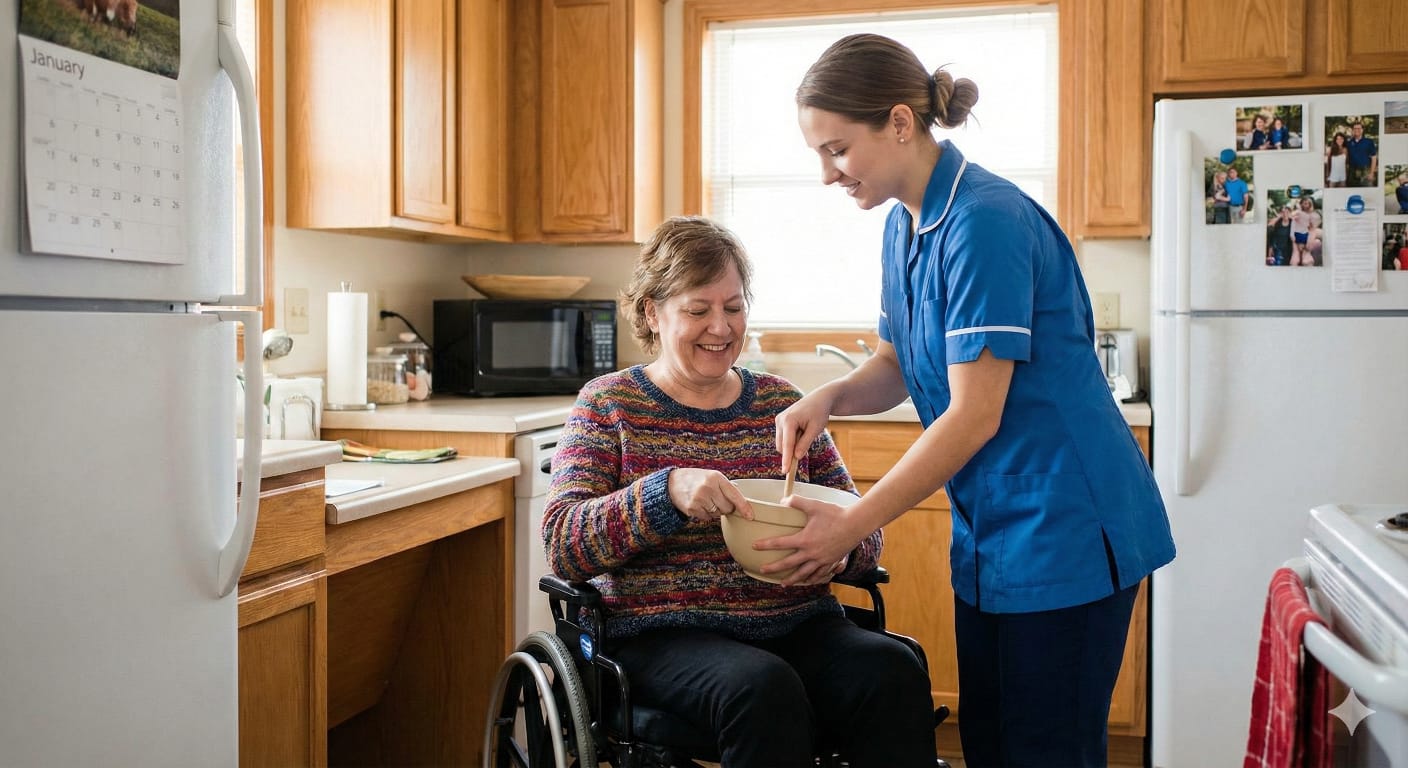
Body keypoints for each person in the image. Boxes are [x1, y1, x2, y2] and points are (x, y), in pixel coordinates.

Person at [782, 33, 1175, 768]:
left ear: (900, 123)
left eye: (837, 149)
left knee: (1044, 751)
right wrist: (830, 396)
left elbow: (973, 413)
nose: (828, 174)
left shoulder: (983, 221)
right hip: (995, 531)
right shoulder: (904, 222)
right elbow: (900, 360)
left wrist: (851, 524)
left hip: (1065, 526)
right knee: (990, 744)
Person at [540, 215, 938, 768]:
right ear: (653, 312)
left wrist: (841, 550)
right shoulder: (608, 405)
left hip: (798, 622)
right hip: (663, 634)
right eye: (698, 310)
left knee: (890, 668)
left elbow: (863, 528)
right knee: (762, 687)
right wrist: (666, 493)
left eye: (733, 307)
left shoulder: (781, 403)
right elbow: (563, 544)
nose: (721, 328)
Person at [1346, 121, 1378, 187]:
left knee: (1367, 189)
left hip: (1365, 170)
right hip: (1352, 171)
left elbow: (1374, 158)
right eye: (1355, 128)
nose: (1356, 130)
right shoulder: (1349, 143)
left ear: (1362, 130)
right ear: (1352, 130)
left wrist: (1372, 173)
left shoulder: (1369, 142)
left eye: (1359, 128)